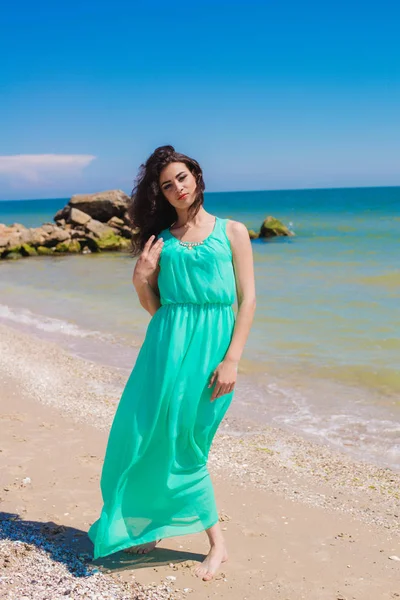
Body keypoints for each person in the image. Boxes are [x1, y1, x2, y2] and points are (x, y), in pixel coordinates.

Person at [88, 145, 256, 581]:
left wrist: (232, 359)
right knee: (145, 434)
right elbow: (156, 308)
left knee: (189, 443)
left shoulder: (233, 231)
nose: (177, 188)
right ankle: (157, 526)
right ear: (161, 194)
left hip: (213, 354)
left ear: (196, 177)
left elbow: (248, 299)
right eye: (167, 185)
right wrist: (140, 279)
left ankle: (218, 546)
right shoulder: (160, 242)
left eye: (182, 177)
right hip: (164, 348)